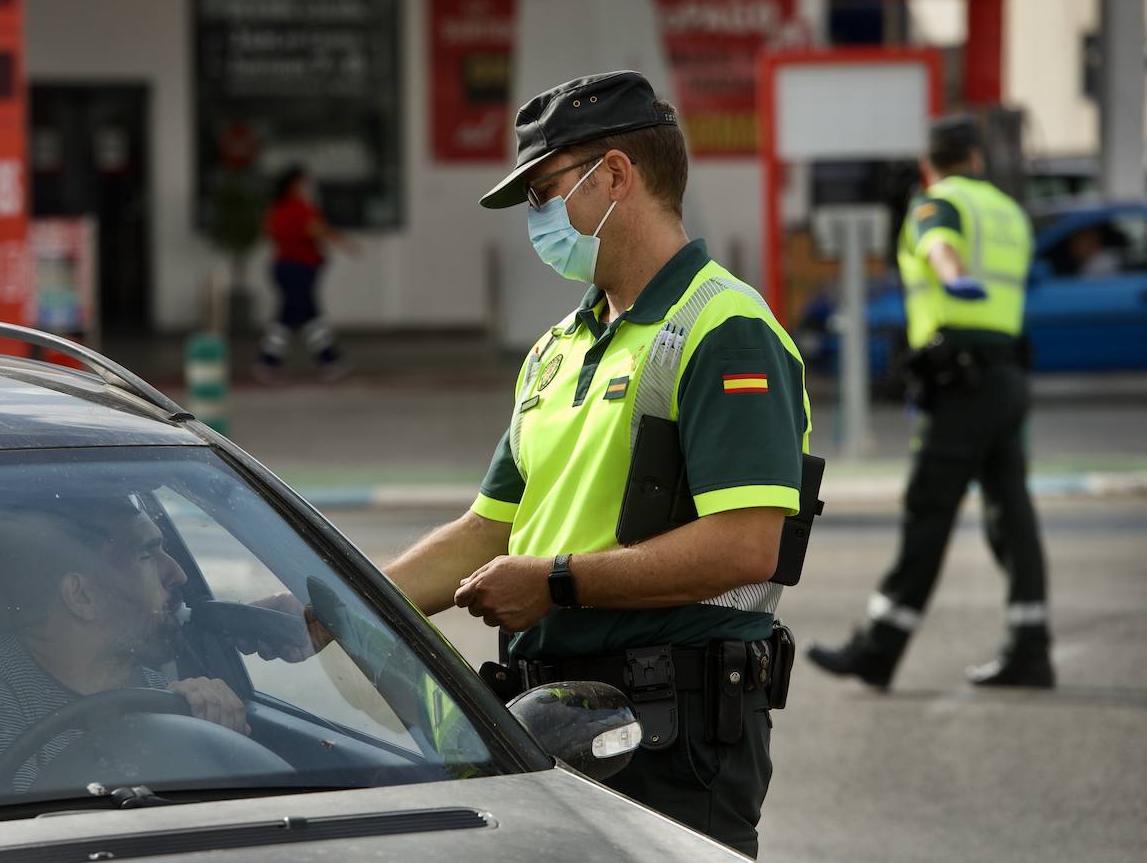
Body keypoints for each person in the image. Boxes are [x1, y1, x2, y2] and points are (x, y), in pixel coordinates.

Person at [284, 71, 807, 857]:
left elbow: (745, 545)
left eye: (543, 190)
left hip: (673, 737)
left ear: (617, 176)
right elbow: (488, 530)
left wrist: (555, 582)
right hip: (546, 725)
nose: (535, 217)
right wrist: (338, 609)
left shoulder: (723, 329)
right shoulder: (557, 351)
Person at [807, 115, 1054, 690]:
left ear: (929, 166)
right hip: (1008, 376)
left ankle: (877, 649)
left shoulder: (935, 204)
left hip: (962, 382)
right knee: (1011, 511)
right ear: (976, 159)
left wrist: (954, 275)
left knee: (928, 508)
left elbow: (940, 245)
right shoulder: (1008, 212)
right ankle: (1031, 646)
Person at [0, 498, 248, 801]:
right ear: (82, 597)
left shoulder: (155, 689)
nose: (177, 574)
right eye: (146, 555)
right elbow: (15, 839)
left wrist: (217, 737)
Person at [255, 165, 355, 382]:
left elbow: (269, 232)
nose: (308, 186)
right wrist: (344, 243)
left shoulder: (276, 209)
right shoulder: (301, 208)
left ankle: (271, 361)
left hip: (283, 267)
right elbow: (316, 230)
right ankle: (327, 359)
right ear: (294, 185)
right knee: (305, 314)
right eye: (304, 182)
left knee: (294, 314)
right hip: (299, 268)